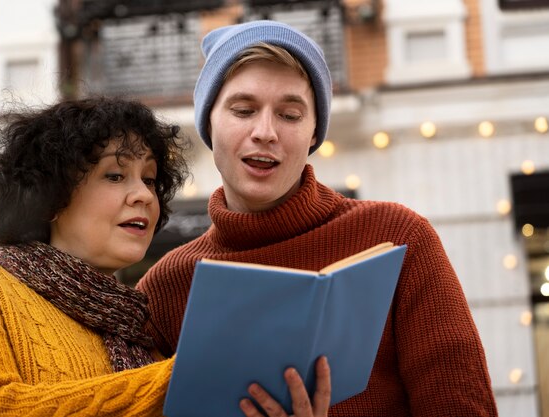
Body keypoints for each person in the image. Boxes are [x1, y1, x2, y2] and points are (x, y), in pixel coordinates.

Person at [137, 20, 499, 416]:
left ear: (314, 133)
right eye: (243, 110)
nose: (265, 131)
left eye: (290, 115)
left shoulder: (399, 238)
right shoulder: (164, 286)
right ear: (209, 122)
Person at [0, 96, 330, 416]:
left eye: (150, 179)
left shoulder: (143, 338)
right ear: (48, 197)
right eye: (114, 175)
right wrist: (194, 376)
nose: (143, 196)